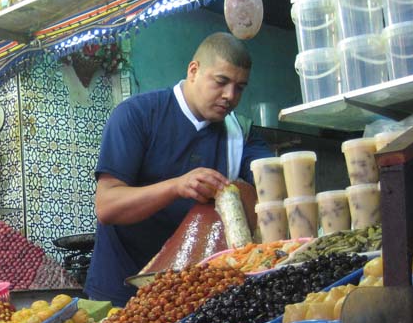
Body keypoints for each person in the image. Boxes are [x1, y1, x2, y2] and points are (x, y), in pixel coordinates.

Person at [85, 32, 273, 306]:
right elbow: (107, 206)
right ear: (194, 71)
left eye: (240, 87)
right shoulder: (137, 115)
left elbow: (271, 182)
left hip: (191, 294)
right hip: (120, 292)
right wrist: (177, 186)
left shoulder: (239, 132)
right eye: (221, 82)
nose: (230, 96)